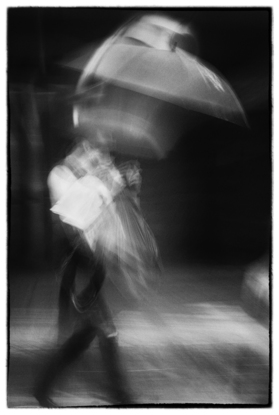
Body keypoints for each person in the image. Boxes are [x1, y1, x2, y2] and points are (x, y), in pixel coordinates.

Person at [34, 137, 160, 407]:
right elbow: (73, 223)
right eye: (88, 149)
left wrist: (129, 186)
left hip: (97, 263)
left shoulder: (97, 177)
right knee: (103, 330)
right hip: (78, 263)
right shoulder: (62, 175)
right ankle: (120, 396)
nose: (95, 154)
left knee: (89, 333)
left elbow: (119, 213)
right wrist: (99, 184)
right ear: (74, 151)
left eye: (98, 151)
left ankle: (44, 387)